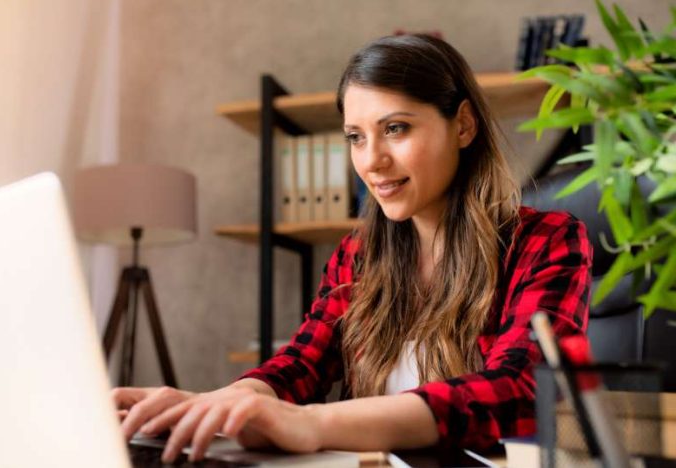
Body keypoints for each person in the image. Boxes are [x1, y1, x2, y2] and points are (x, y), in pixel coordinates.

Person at [113, 34, 592, 463]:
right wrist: (215, 404)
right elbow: (301, 364)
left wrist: (313, 424)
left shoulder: (547, 241)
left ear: (463, 126)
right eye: (356, 138)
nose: (372, 161)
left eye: (397, 128)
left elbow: (521, 389)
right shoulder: (357, 255)